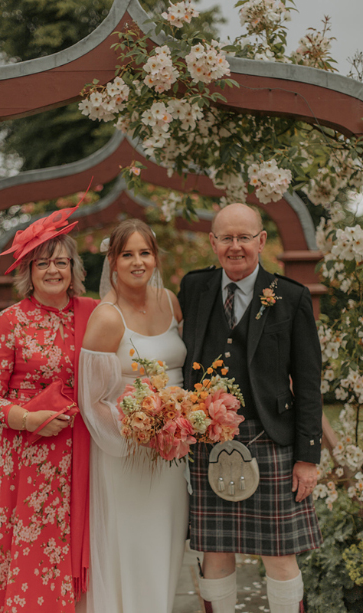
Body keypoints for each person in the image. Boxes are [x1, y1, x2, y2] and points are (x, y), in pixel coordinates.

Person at [180, 203, 321, 613]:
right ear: (213, 242)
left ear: (261, 241)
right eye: (227, 237)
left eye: (244, 237)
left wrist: (307, 457)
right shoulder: (194, 288)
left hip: (270, 438)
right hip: (208, 440)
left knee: (279, 555)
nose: (235, 246)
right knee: (214, 553)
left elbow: (308, 382)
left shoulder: (291, 297)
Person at [0, 208, 97, 613]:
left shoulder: (93, 315)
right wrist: (27, 418)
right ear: (29, 271)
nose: (53, 270)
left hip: (84, 457)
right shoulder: (12, 321)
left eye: (61, 262)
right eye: (43, 263)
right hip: (29, 460)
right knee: (31, 554)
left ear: (73, 268)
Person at [77, 218, 189, 613]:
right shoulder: (107, 317)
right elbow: (91, 399)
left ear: (155, 258)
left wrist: (182, 419)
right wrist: (138, 433)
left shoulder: (170, 302)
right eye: (127, 254)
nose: (137, 262)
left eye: (145, 253)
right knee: (132, 544)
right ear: (112, 260)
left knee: (166, 541)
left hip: (174, 450)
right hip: (126, 452)